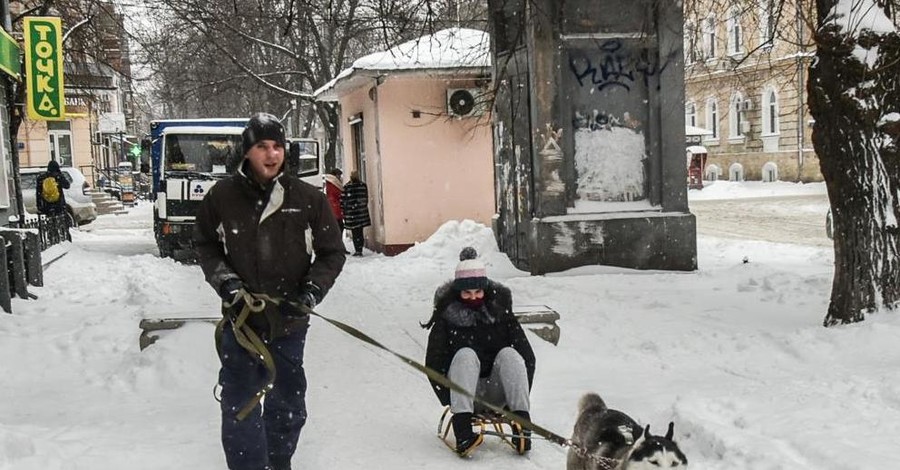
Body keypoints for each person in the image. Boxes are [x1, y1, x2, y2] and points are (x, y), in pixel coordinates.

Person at [193, 113, 346, 470]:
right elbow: (204, 245)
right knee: (240, 404)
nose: (271, 154)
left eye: (277, 146)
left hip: (289, 323)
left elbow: (332, 252)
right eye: (262, 146)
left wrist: (310, 292)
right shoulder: (223, 196)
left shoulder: (308, 198)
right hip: (241, 323)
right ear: (247, 151)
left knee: (289, 405)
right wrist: (226, 282)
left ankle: (279, 462)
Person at [422, 247, 536, 457]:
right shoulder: (446, 318)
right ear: (458, 293)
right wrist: (451, 399)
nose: (473, 297)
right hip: (465, 393)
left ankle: (521, 428)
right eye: (467, 293)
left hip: (496, 391)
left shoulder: (501, 313)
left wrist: (516, 396)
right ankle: (464, 433)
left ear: (486, 290)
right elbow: (434, 363)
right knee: (465, 354)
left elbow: (527, 358)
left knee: (510, 355)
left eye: (478, 292)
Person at [340, 170, 371, 256]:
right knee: (360, 231)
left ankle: (357, 249)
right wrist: (362, 207)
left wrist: (345, 210)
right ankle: (359, 249)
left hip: (351, 214)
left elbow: (342, 201)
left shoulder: (347, 187)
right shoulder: (363, 185)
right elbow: (365, 198)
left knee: (355, 232)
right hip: (361, 214)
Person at [323, 168, 344, 232]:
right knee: (339, 227)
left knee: (339, 227)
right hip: (335, 209)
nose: (340, 177)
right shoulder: (334, 184)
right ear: (335, 175)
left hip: (334, 209)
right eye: (339, 175)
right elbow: (338, 194)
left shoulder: (330, 183)